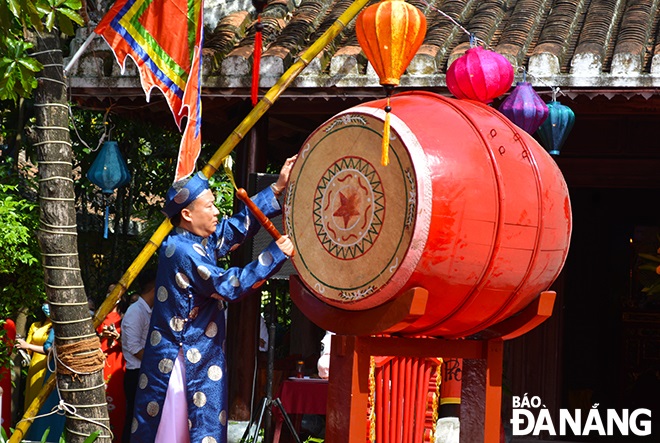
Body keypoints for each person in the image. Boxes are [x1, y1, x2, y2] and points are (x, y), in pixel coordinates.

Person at [130, 156, 297, 443]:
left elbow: (234, 228)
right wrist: (274, 254)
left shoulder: (197, 241)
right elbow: (229, 285)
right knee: (177, 433)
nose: (216, 211)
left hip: (197, 352)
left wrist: (277, 189)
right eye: (209, 206)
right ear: (187, 214)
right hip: (181, 358)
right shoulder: (182, 251)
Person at [15, 304, 65, 442]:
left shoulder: (58, 324)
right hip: (35, 367)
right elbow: (30, 347)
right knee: (33, 404)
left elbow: (48, 347)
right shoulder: (36, 325)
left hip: (49, 366)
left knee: (48, 405)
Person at [121, 270, 156, 443]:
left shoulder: (149, 311)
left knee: (144, 419)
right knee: (134, 418)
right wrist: (156, 363)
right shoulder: (135, 311)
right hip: (136, 373)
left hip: (145, 372)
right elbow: (134, 347)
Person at [97, 285, 126, 442]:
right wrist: (101, 335)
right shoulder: (98, 317)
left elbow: (130, 345)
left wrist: (116, 336)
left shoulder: (124, 318)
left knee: (116, 400)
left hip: (117, 364)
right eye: (109, 292)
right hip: (100, 362)